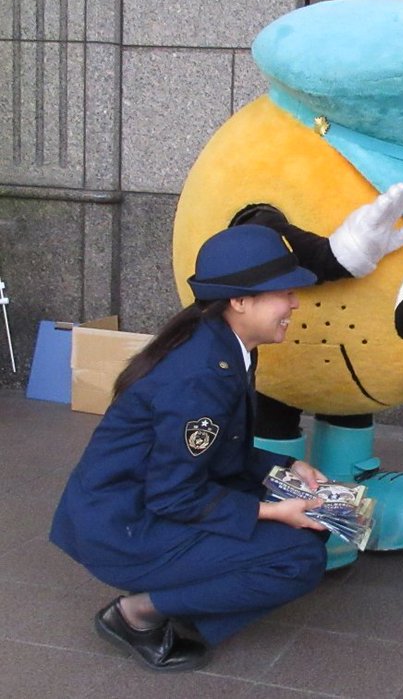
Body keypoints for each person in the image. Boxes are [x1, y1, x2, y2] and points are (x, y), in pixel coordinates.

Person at [49, 224, 333, 672]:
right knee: (296, 559)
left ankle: (188, 600)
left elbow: (219, 450)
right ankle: (136, 613)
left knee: (314, 532)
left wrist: (287, 466)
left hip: (144, 503)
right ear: (240, 301)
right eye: (284, 292)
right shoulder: (200, 374)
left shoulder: (224, 343)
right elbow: (173, 494)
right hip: (126, 526)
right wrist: (271, 511)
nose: (294, 303)